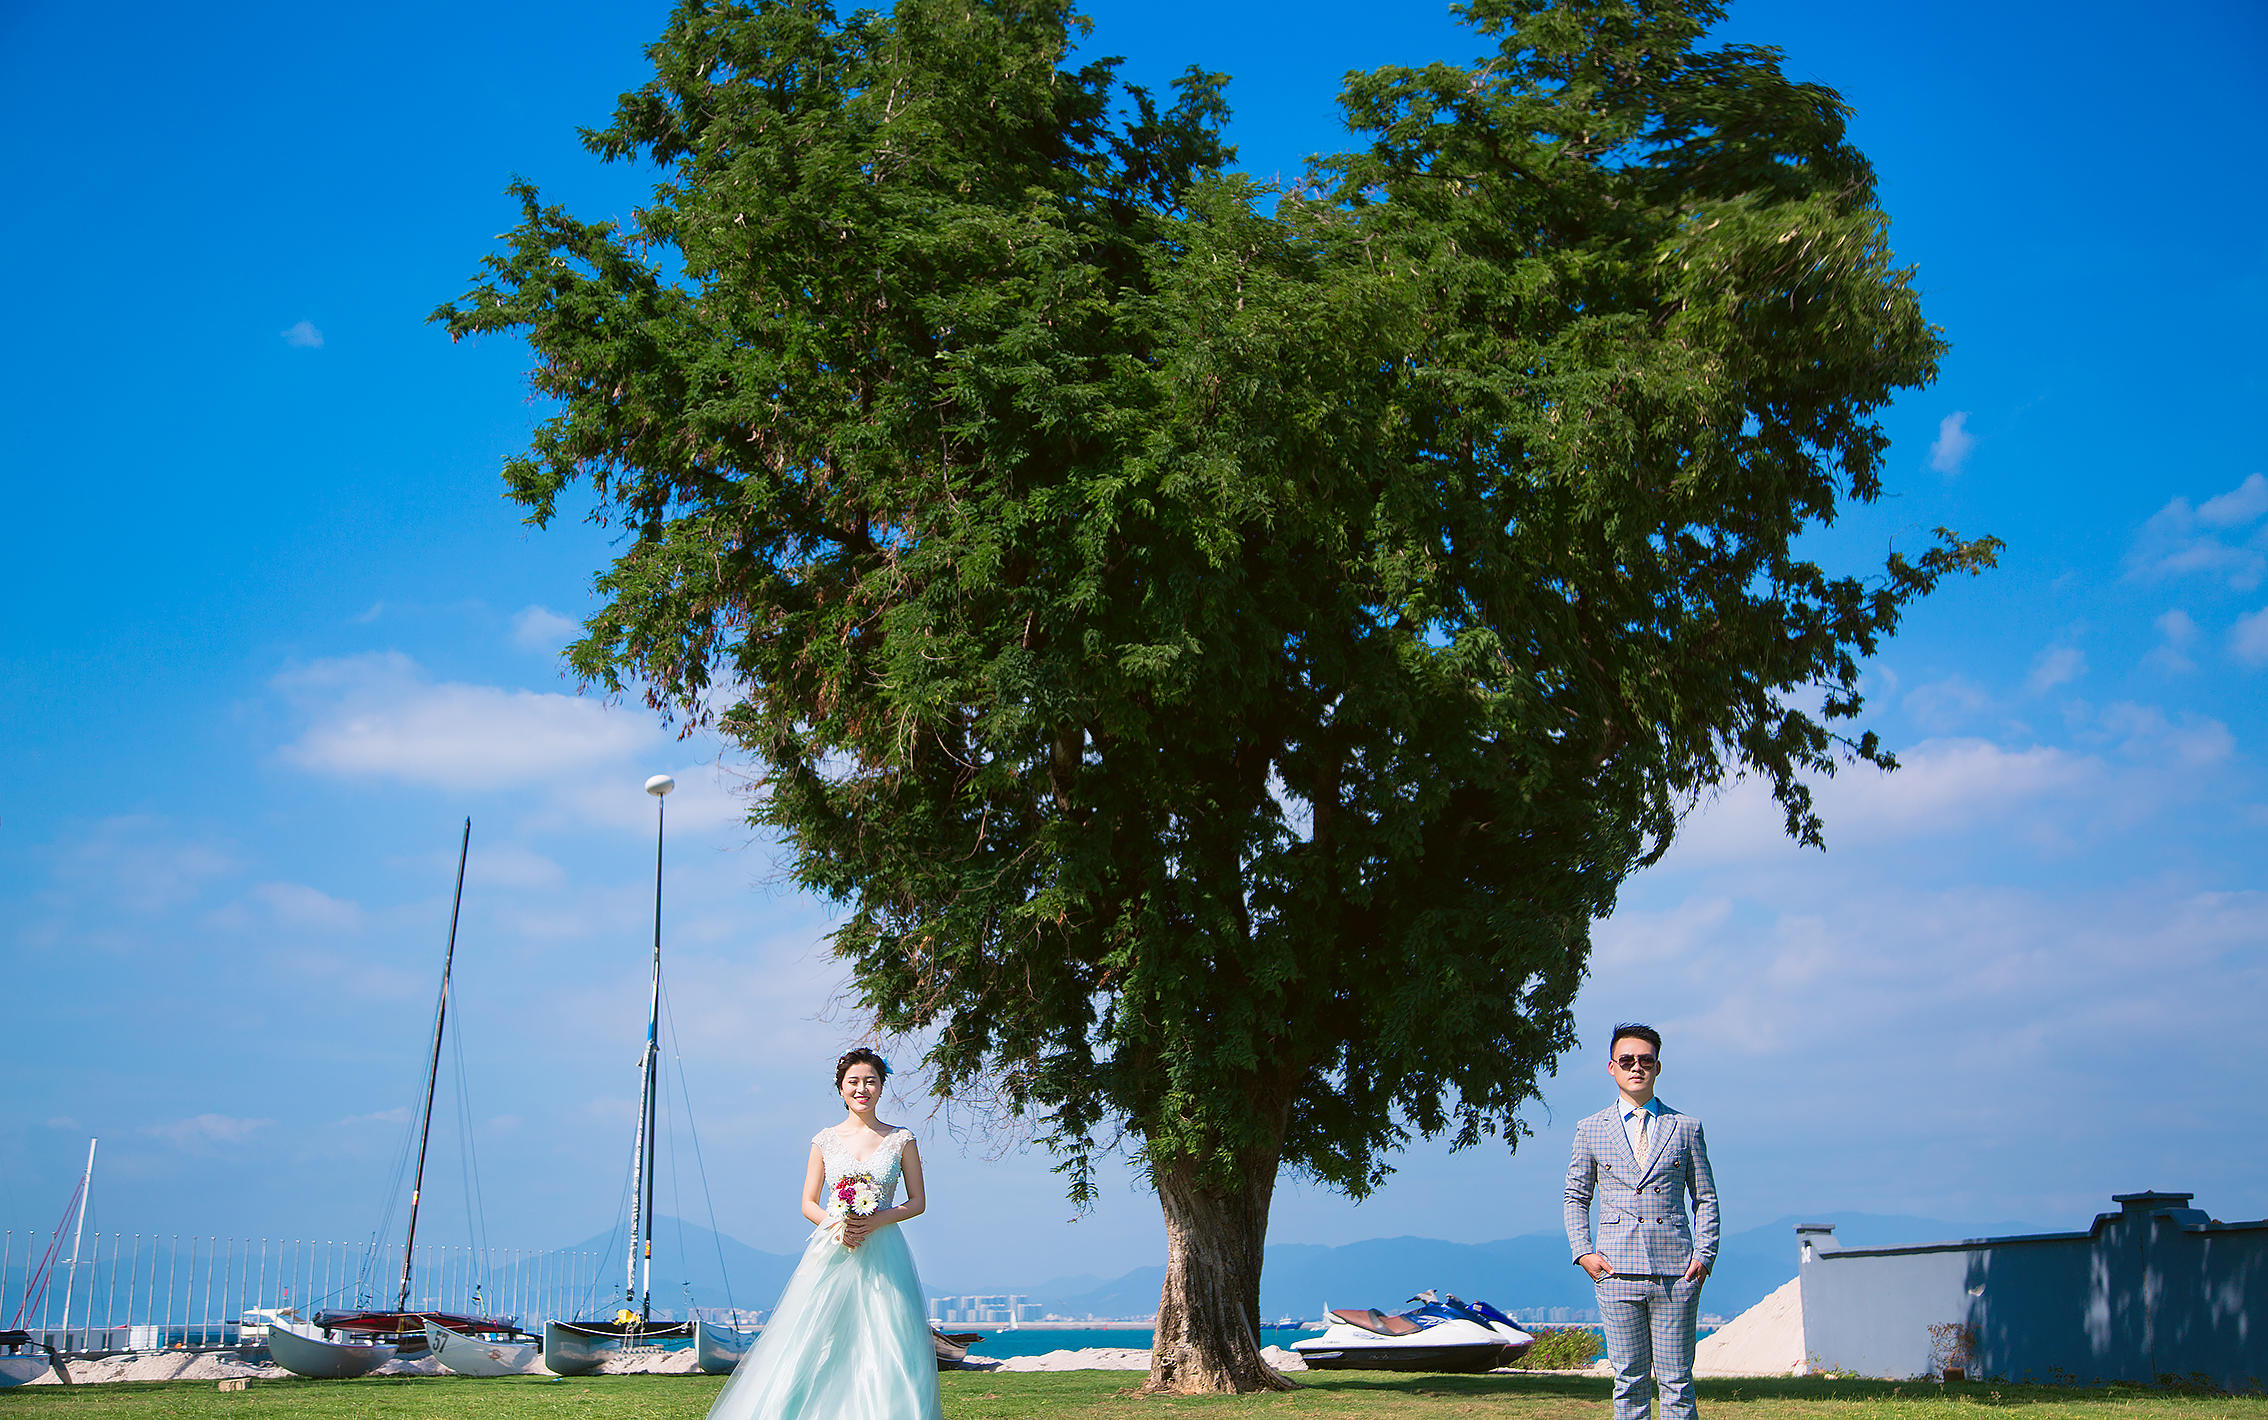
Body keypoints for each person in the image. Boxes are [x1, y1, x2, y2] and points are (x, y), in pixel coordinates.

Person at [706, 1048, 942, 1420]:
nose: (862, 1088)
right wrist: (839, 1226)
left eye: (870, 1081)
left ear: (882, 1087)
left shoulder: (902, 1139)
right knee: (815, 1335)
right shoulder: (825, 1140)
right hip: (834, 1248)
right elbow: (808, 1202)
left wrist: (878, 1220)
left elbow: (917, 1202)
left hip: (884, 1249)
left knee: (886, 1337)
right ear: (840, 1088)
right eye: (854, 1082)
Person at [1563, 1022, 1719, 1420]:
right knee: (1628, 1380)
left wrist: (1703, 1256)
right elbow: (1576, 1195)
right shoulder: (1590, 1129)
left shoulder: (1686, 1127)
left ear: (1658, 1067)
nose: (1637, 1068)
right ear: (1611, 1067)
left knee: (1677, 1383)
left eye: (1645, 1060)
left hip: (1677, 1272)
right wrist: (1583, 1253)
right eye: (1627, 1060)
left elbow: (1705, 1197)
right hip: (1616, 1272)